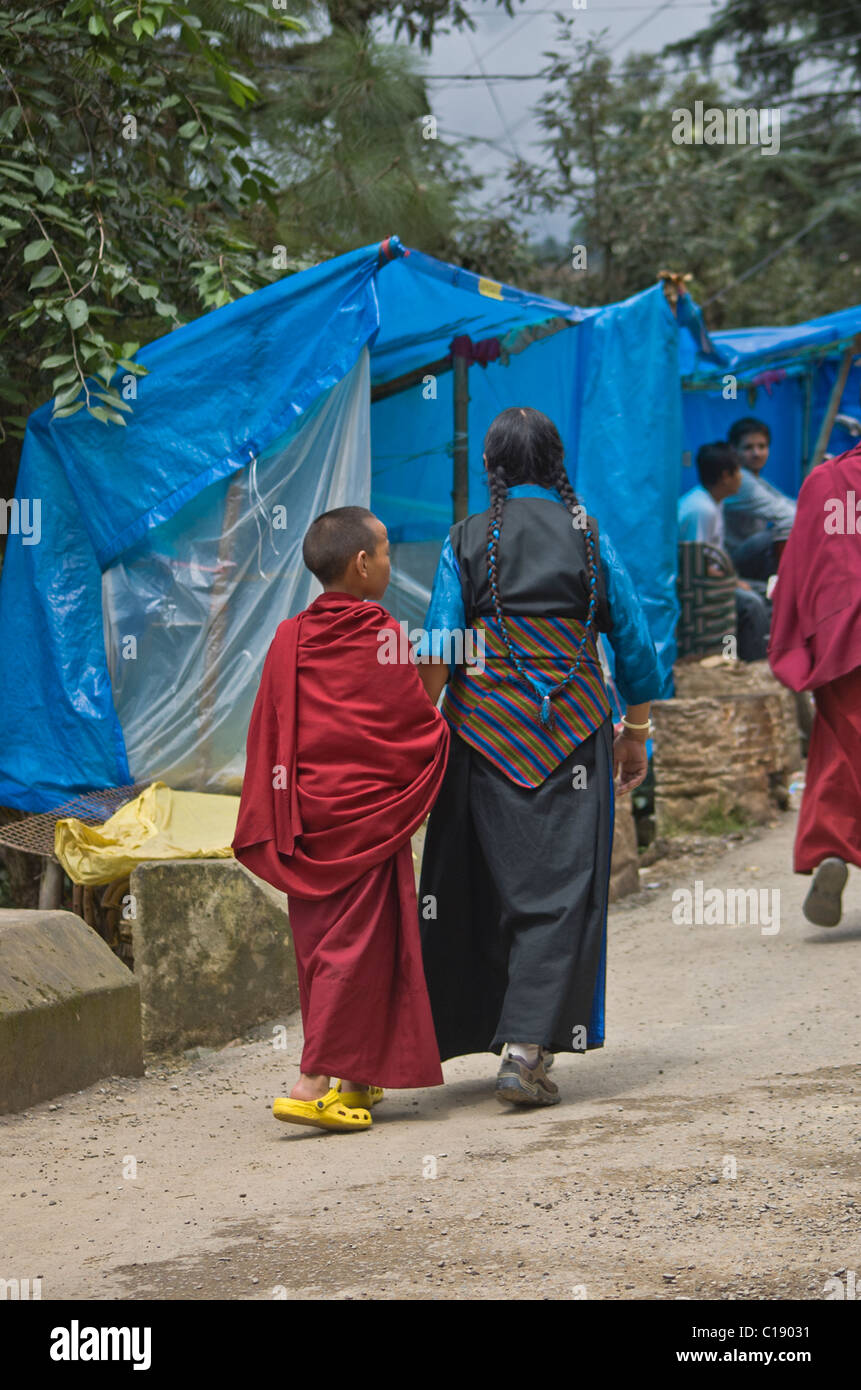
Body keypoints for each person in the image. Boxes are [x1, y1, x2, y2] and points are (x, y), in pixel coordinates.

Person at [415, 406, 661, 1108]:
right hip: (574, 733)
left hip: (483, 733)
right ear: (555, 463)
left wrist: (412, 737)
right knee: (559, 890)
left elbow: (439, 648)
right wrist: (634, 733)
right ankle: (525, 1050)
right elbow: (636, 645)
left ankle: (470, 1033)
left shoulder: (465, 538)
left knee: (482, 886)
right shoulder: (588, 537)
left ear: (490, 467)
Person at [232, 507, 449, 1132]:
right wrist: (445, 731)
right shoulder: (377, 632)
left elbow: (268, 736)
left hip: (312, 821)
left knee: (330, 948)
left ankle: (357, 1081)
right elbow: (408, 726)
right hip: (369, 817)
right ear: (362, 565)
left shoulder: (287, 638)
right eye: (385, 552)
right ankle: (312, 1081)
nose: (389, 561)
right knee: (354, 952)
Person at [768, 439, 861, 928]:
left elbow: (796, 570)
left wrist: (794, 646)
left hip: (843, 644)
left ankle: (832, 851)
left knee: (841, 750)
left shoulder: (824, 484)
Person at [678, 441, 771, 661]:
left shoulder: (714, 503)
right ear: (725, 476)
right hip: (698, 592)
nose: (741, 477)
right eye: (738, 471)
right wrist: (733, 582)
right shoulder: (701, 509)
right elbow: (695, 567)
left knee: (769, 592)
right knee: (752, 603)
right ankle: (753, 667)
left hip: (718, 578)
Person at [723, 417, 796, 580]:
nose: (756, 453)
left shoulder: (754, 478)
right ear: (733, 450)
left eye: (762, 446)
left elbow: (785, 503)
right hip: (731, 560)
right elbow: (789, 515)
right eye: (748, 447)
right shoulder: (741, 480)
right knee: (780, 529)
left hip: (749, 555)